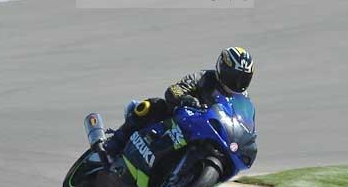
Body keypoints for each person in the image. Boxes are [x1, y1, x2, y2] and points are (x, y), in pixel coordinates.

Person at [102, 46, 255, 161]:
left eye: (243, 78)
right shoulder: (204, 77)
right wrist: (185, 99)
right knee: (151, 106)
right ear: (222, 68)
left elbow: (245, 122)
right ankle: (113, 144)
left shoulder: (243, 99)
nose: (238, 83)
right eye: (234, 76)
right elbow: (174, 90)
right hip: (180, 119)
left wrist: (247, 137)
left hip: (208, 132)